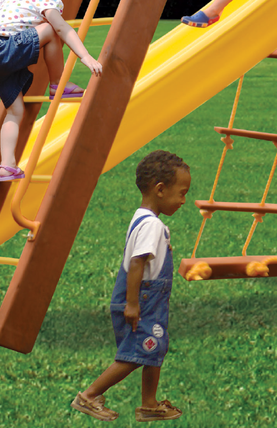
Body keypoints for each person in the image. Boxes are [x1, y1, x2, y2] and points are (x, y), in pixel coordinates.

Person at [72, 150, 191, 422]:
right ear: (160, 189)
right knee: (137, 354)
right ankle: (89, 396)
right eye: (182, 193)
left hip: (148, 302)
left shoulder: (142, 218)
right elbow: (137, 263)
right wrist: (133, 303)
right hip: (142, 301)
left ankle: (149, 404)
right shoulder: (152, 225)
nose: (184, 200)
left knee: (154, 348)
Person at [0, 0, 104, 182]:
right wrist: (85, 56)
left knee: (15, 111)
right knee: (50, 29)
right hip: (3, 49)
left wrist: (3, 5)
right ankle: (58, 84)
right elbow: (62, 28)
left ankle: (7, 165)